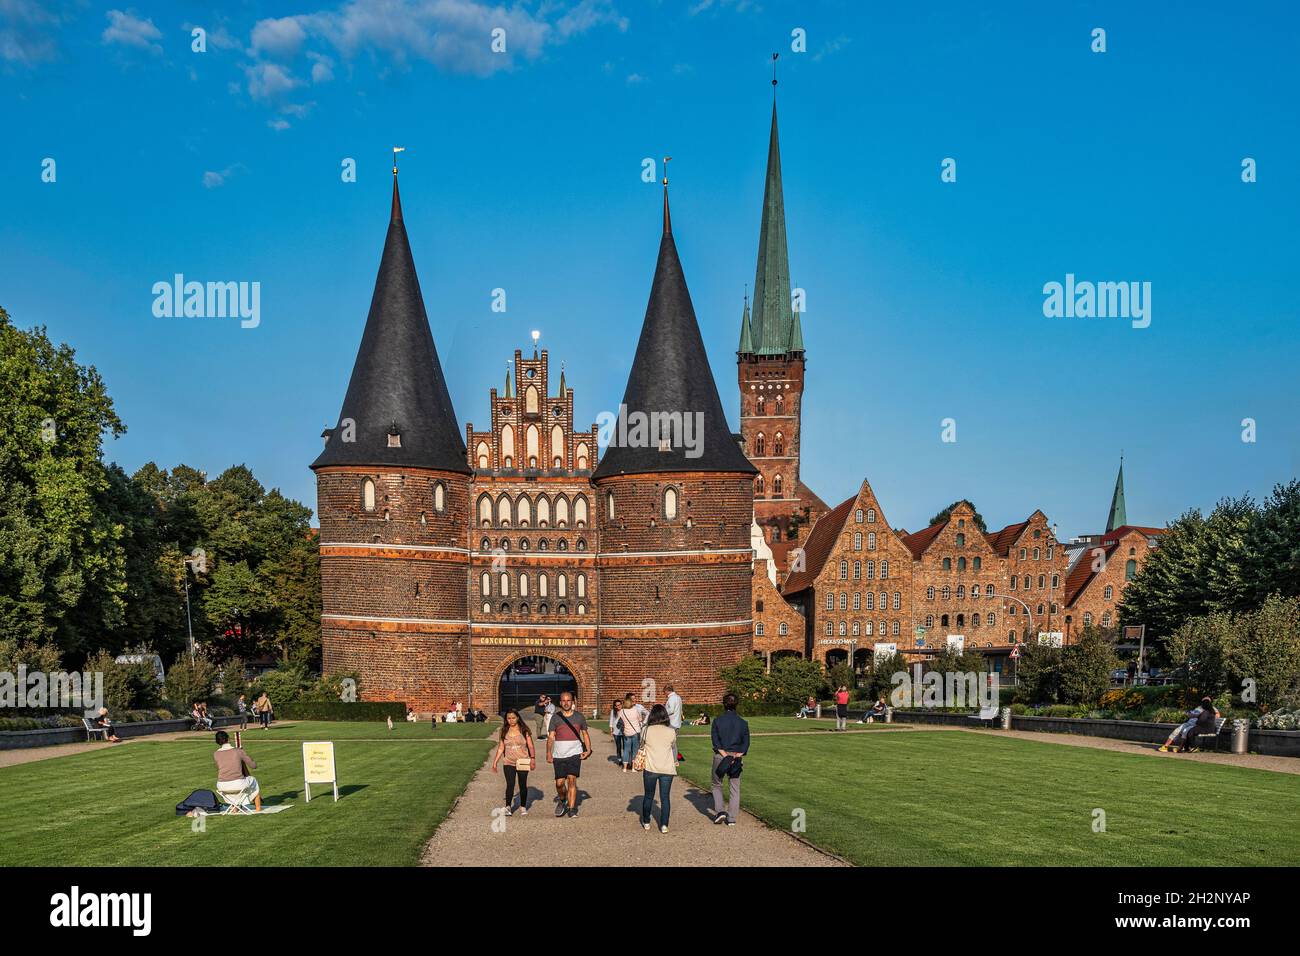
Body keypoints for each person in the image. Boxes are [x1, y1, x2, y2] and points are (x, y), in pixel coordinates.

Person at [545, 691, 591, 818]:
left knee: (571, 780)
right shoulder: (555, 717)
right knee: (559, 783)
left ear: (573, 702)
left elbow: (585, 734)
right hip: (559, 754)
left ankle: (571, 809)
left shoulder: (579, 717)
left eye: (568, 700)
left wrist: (588, 750)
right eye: (563, 701)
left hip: (574, 753)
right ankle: (563, 799)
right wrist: (548, 753)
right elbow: (551, 737)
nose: (566, 703)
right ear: (560, 702)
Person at [710, 693, 749, 826]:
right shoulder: (743, 723)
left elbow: (715, 742)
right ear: (736, 705)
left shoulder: (718, 720)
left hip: (721, 756)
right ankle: (731, 817)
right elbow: (746, 743)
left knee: (716, 784)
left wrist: (725, 756)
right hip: (736, 756)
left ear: (724, 704)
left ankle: (720, 811)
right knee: (734, 787)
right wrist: (737, 756)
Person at [639, 703, 678, 833]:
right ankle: (664, 824)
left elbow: (641, 745)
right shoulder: (671, 731)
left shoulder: (645, 730)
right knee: (665, 797)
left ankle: (646, 821)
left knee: (648, 796)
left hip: (651, 766)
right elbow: (673, 748)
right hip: (667, 767)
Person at [491, 709, 536, 816]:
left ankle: (523, 806)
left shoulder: (524, 730)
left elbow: (530, 745)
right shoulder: (504, 731)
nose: (511, 720)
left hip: (522, 761)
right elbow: (501, 748)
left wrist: (532, 759)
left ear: (518, 718)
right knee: (510, 784)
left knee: (522, 784)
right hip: (508, 762)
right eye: (509, 718)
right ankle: (508, 807)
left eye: (513, 718)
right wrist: (495, 762)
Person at [213, 730, 261, 812]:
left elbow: (220, 768)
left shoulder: (216, 754)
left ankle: (235, 807)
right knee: (253, 780)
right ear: (228, 739)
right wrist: (245, 755)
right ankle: (258, 808)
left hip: (222, 785)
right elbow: (253, 766)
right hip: (238, 784)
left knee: (235, 786)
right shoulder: (238, 751)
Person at [618, 693, 647, 773]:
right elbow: (640, 719)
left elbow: (620, 720)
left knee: (626, 750)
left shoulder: (622, 711)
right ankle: (633, 767)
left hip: (626, 732)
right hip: (635, 732)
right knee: (635, 750)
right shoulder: (635, 710)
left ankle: (624, 768)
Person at [665, 683, 684, 761]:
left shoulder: (672, 698)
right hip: (676, 722)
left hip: (672, 723)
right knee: (673, 743)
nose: (664, 694)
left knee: (670, 743)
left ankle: (673, 760)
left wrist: (663, 711)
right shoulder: (678, 697)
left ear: (667, 691)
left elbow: (671, 710)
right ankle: (674, 759)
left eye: (664, 692)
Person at [609, 700, 625, 767]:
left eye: (620, 705)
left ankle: (625, 760)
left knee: (625, 746)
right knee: (618, 746)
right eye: (617, 705)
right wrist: (611, 730)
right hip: (616, 731)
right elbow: (611, 720)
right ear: (615, 706)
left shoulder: (624, 711)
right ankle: (619, 760)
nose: (619, 706)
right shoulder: (613, 711)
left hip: (624, 731)